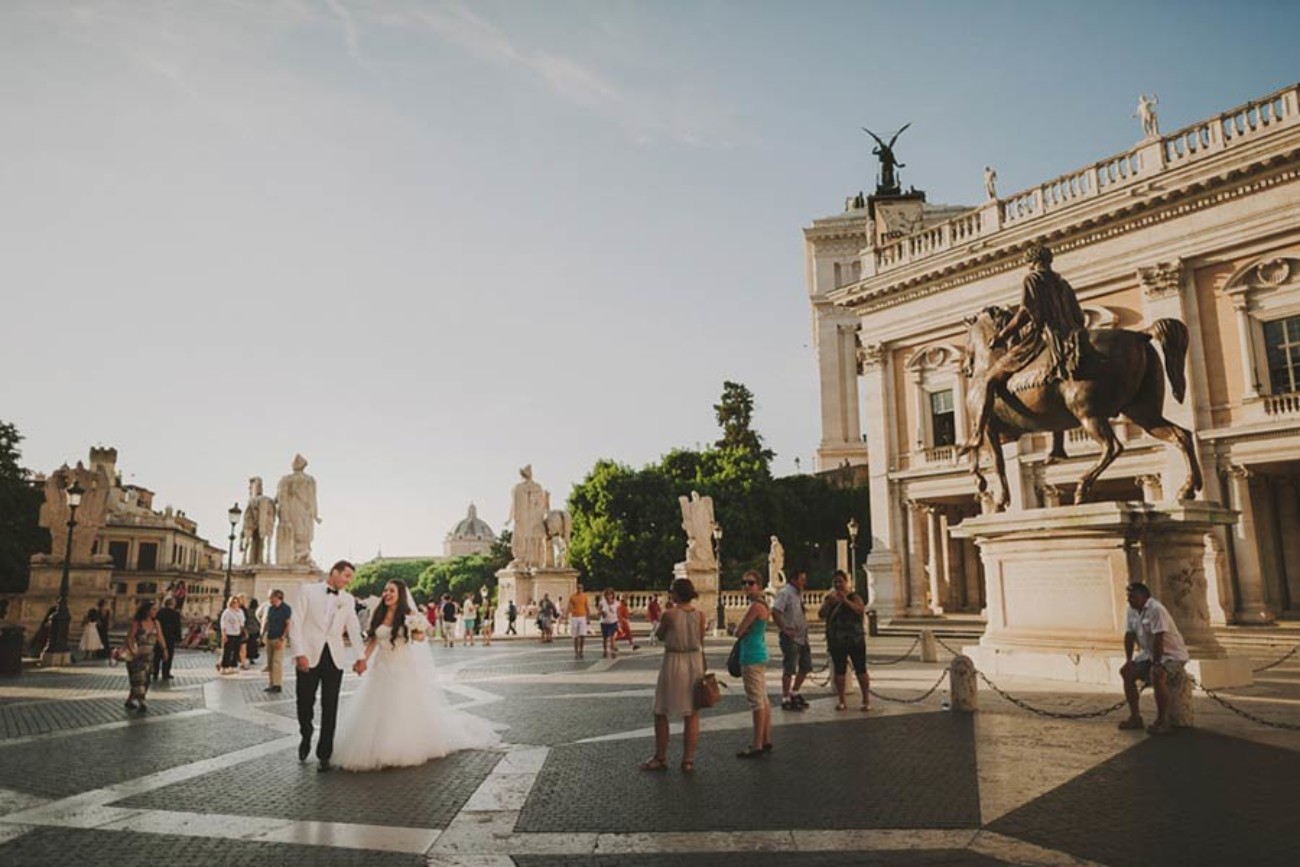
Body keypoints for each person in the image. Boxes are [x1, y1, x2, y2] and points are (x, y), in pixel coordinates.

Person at [332, 580, 500, 771]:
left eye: (392, 591)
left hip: (402, 664)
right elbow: (372, 641)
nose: (387, 593)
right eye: (385, 590)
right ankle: (379, 746)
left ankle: (400, 747)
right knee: (378, 704)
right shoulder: (378, 614)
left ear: (400, 594)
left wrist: (417, 628)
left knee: (402, 705)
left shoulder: (409, 615)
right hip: (381, 666)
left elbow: (420, 638)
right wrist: (362, 660)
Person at [961, 244, 1087, 454]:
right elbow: (1079, 316)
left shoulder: (1033, 279)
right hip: (1070, 336)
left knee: (989, 380)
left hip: (1041, 337)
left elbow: (1025, 313)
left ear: (1032, 261)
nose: (1028, 266)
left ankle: (976, 435)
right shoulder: (1062, 283)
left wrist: (1001, 336)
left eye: (1029, 262)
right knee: (1056, 381)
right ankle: (1058, 447)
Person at [290, 560, 366, 772]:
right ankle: (305, 733)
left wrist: (360, 656)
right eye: (346, 576)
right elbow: (296, 623)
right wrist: (299, 653)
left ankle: (325, 754)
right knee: (304, 702)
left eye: (350, 577)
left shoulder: (348, 599)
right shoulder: (307, 591)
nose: (348, 581)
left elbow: (353, 627)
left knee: (330, 706)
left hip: (334, 657)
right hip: (308, 655)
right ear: (334, 572)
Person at [641, 577, 706, 773]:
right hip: (695, 661)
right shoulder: (700, 615)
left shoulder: (669, 614)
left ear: (676, 594)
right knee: (692, 712)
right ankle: (688, 760)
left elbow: (660, 636)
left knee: (661, 710)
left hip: (674, 661)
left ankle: (660, 757)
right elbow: (700, 638)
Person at [1118, 582, 1190, 736]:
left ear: (1144, 597)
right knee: (1127, 672)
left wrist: (1157, 664)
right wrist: (1129, 660)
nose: (1130, 600)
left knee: (1157, 675)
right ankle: (1135, 717)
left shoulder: (1156, 609)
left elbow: (1159, 638)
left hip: (1171, 655)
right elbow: (1129, 636)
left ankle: (1162, 721)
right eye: (1128, 597)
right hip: (1150, 654)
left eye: (1133, 597)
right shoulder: (1131, 610)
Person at [819, 570, 870, 712]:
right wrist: (828, 603)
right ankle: (841, 700)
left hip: (855, 639)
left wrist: (845, 601)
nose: (838, 584)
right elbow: (821, 614)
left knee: (861, 669)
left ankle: (866, 699)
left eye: (840, 581)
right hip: (837, 640)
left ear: (846, 582)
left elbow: (860, 610)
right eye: (835, 582)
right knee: (839, 671)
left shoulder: (855, 597)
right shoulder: (830, 598)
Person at [734, 570, 772, 758]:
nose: (747, 586)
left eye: (751, 583)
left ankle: (757, 743)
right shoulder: (763, 605)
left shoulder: (755, 607)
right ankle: (765, 739)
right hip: (759, 653)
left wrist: (738, 629)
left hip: (751, 655)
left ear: (759, 585)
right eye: (744, 583)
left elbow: (738, 631)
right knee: (763, 699)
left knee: (756, 701)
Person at [771, 570, 812, 711]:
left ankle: (794, 691)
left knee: (806, 666)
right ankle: (786, 697)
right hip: (790, 637)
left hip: (802, 636)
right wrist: (784, 628)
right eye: (802, 579)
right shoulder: (785, 593)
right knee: (789, 667)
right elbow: (775, 611)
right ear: (793, 579)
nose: (804, 583)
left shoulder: (798, 594)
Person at [124, 601, 166, 712]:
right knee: (139, 679)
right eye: (153, 609)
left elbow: (160, 637)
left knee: (145, 680)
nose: (155, 611)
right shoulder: (137, 623)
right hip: (136, 656)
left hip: (149, 656)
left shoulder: (156, 623)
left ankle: (129, 701)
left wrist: (164, 650)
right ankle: (141, 702)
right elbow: (129, 638)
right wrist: (132, 651)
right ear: (147, 611)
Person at [261, 589, 292, 693]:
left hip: (279, 638)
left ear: (278, 597)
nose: (269, 599)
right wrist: (262, 634)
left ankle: (277, 684)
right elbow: (267, 622)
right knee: (270, 662)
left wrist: (283, 638)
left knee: (276, 662)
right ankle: (271, 683)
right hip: (270, 637)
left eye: (271, 597)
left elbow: (288, 624)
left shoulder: (286, 609)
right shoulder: (271, 608)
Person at [153, 597, 182, 681]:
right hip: (170, 638)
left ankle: (155, 672)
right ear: (173, 604)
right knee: (168, 656)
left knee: (157, 656)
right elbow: (177, 626)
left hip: (159, 636)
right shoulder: (175, 614)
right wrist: (178, 638)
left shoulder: (159, 612)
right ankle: (165, 673)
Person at [218, 596, 244, 674]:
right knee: (227, 651)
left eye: (237, 602)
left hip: (237, 633)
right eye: (233, 602)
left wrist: (242, 631)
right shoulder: (227, 612)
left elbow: (242, 623)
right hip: (229, 633)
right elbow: (223, 624)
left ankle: (233, 666)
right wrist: (224, 634)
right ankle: (224, 667)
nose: (235, 604)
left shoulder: (240, 612)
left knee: (236, 651)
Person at [567, 583, 590, 659]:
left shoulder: (584, 597)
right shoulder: (572, 597)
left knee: (582, 635)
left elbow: (587, 607)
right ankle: (576, 651)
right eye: (578, 588)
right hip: (574, 617)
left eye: (580, 588)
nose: (579, 589)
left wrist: (588, 618)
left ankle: (581, 651)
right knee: (575, 636)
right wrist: (567, 615)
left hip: (582, 616)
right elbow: (569, 606)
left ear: (582, 589)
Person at [598, 587, 621, 658]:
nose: (609, 596)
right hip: (604, 622)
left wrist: (619, 622)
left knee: (612, 637)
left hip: (613, 622)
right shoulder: (602, 602)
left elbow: (618, 613)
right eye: (607, 594)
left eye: (610, 594)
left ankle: (612, 651)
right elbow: (598, 612)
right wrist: (602, 613)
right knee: (605, 638)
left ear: (613, 595)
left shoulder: (617, 603)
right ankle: (605, 651)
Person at [244, 597, 262, 667]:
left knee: (248, 644)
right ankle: (252, 658)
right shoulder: (257, 611)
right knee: (254, 644)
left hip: (248, 629)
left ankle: (247, 656)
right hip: (255, 629)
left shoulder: (247, 611)